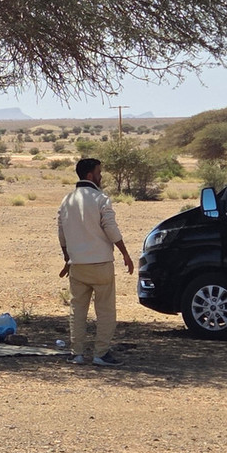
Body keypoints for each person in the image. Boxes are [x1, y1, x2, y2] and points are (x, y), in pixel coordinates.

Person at [57, 157, 135, 366]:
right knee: (106, 311)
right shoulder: (101, 199)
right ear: (90, 175)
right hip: (101, 264)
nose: (101, 176)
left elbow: (61, 232)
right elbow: (110, 228)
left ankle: (77, 353)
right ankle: (101, 354)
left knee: (77, 310)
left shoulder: (67, 200)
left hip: (77, 265)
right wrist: (125, 253)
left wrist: (67, 257)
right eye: (99, 173)